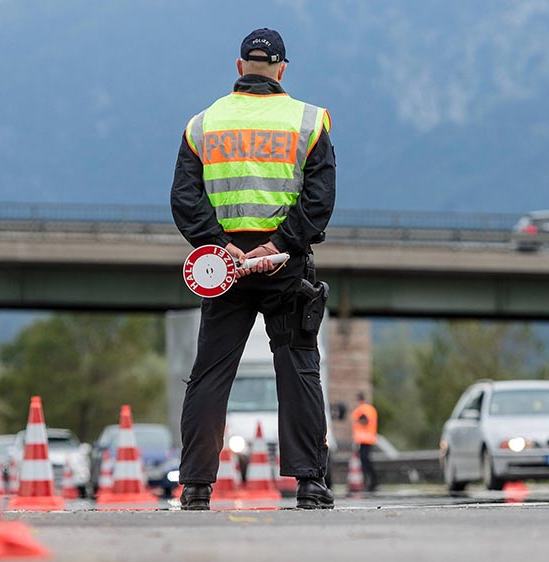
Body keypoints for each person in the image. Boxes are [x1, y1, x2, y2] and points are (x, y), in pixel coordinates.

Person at [170, 28, 336, 510]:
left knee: (211, 372)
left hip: (223, 266)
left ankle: (197, 485)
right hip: (283, 264)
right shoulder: (309, 120)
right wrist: (280, 242)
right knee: (297, 366)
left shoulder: (203, 124)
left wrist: (218, 245)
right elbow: (320, 199)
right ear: (282, 70)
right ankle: (309, 483)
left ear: (240, 67)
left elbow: (185, 199)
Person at [349, 392, 378, 492]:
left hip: (364, 439)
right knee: (366, 462)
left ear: (359, 400)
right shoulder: (370, 408)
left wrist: (357, 421)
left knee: (365, 462)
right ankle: (371, 482)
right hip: (368, 438)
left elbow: (364, 420)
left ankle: (371, 482)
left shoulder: (362, 409)